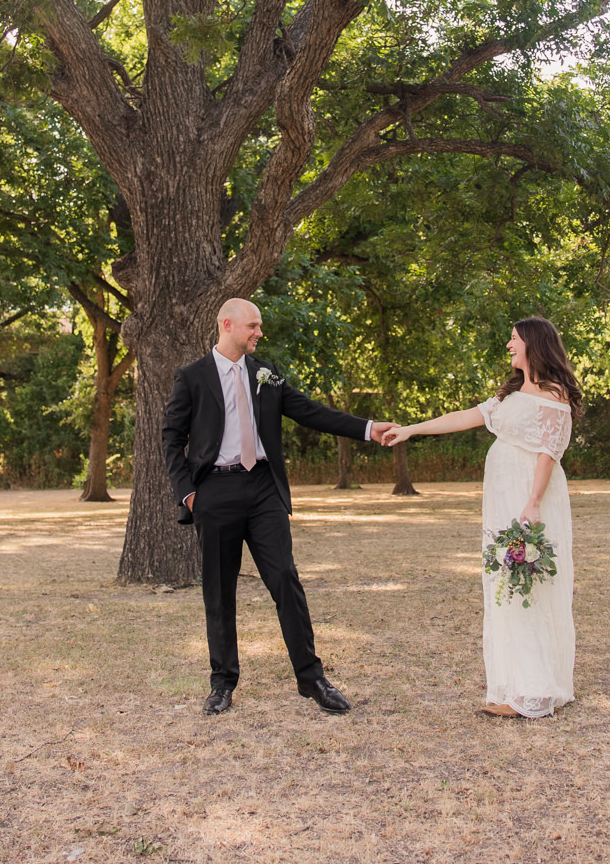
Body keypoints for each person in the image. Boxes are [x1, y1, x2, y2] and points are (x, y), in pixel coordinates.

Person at [162, 297, 393, 716]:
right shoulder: (192, 377)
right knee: (219, 591)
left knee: (286, 578)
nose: (259, 333)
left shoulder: (266, 375)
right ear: (227, 324)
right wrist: (189, 494)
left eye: (260, 326)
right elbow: (171, 439)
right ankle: (222, 683)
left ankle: (312, 679)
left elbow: (309, 412)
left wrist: (368, 428)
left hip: (264, 489)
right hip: (214, 492)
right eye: (252, 326)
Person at [384, 317, 578, 718]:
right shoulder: (512, 392)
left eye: (514, 338)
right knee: (505, 581)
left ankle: (534, 691)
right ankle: (514, 684)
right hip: (502, 498)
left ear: (533, 344)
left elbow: (549, 450)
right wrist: (411, 430)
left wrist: (534, 501)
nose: (509, 345)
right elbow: (463, 417)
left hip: (528, 495)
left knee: (527, 583)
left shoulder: (553, 393)